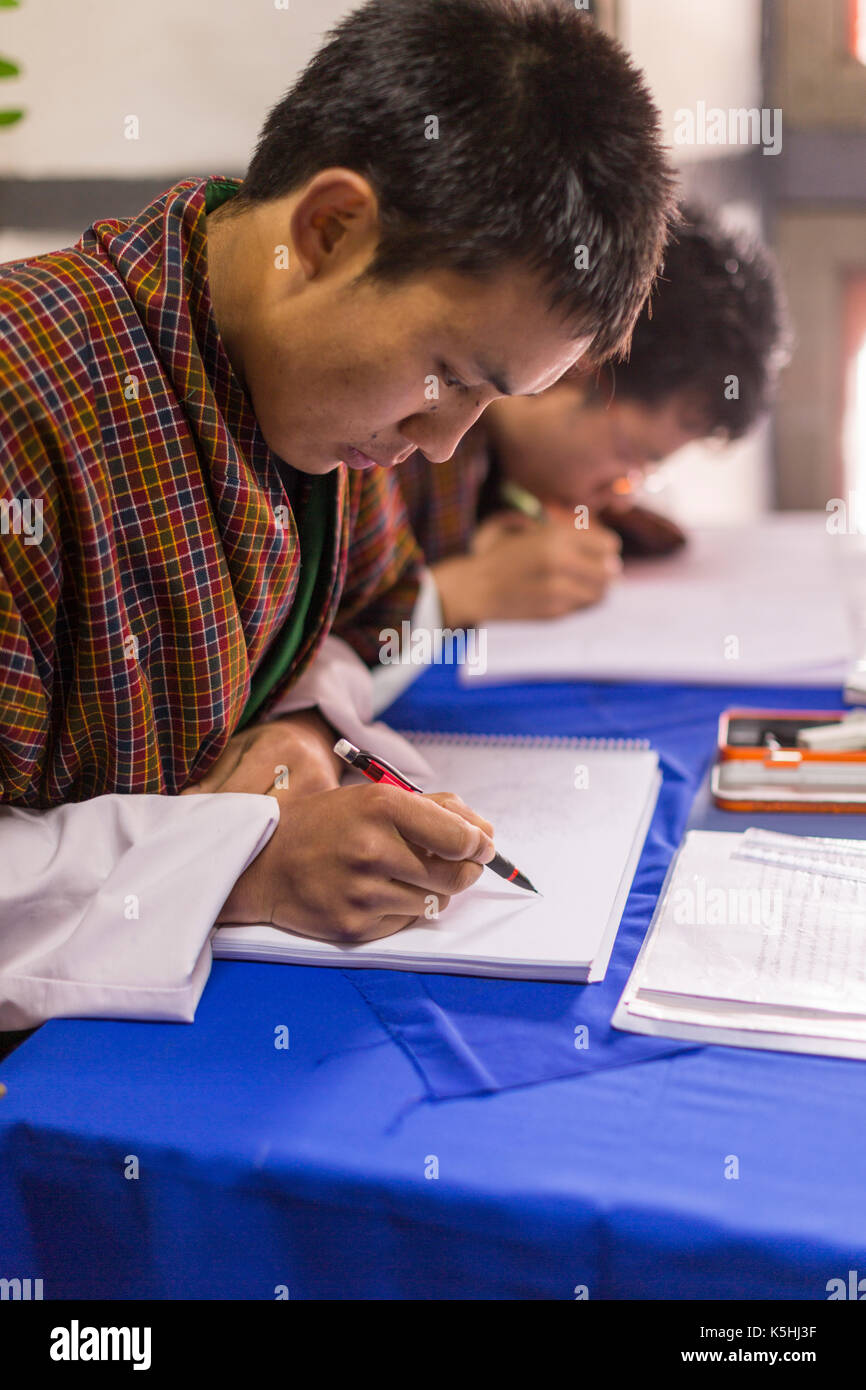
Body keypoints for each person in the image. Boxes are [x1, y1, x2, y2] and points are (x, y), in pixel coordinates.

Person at [0, 0, 676, 1034]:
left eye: (491, 400)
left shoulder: (321, 412)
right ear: (328, 231)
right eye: (446, 374)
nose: (444, 443)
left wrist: (304, 730)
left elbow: (374, 615)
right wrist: (245, 864)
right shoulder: (27, 397)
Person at [395, 205, 788, 628]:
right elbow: (329, 642)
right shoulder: (399, 433)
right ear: (577, 366)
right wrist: (468, 590)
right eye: (631, 455)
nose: (621, 495)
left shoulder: (507, 475)